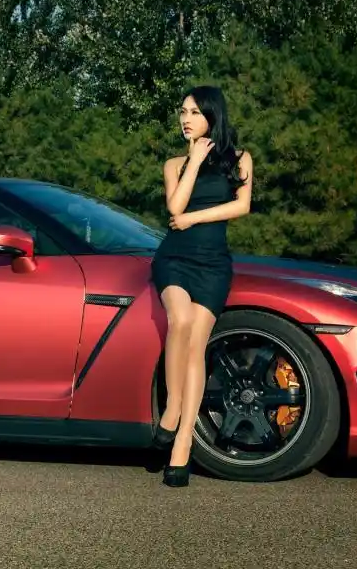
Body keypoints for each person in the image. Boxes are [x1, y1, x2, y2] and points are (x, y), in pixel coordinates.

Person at [149, 85, 254, 488]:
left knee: (196, 344)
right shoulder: (175, 163)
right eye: (183, 112)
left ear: (212, 115)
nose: (186, 119)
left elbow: (241, 206)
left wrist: (194, 218)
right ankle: (172, 408)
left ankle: (182, 443)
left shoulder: (240, 159)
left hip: (212, 265)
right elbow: (174, 207)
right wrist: (193, 161)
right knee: (179, 322)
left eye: (194, 112)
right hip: (174, 259)